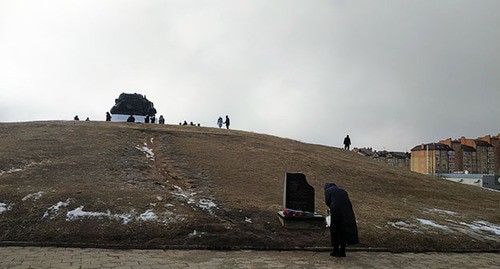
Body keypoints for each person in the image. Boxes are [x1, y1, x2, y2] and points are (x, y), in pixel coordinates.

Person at [324, 183, 359, 257]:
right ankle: (342, 250)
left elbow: (328, 201)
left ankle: (335, 250)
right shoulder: (343, 191)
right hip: (347, 211)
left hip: (336, 211)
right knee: (344, 230)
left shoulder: (328, 190)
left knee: (335, 229)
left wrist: (331, 208)